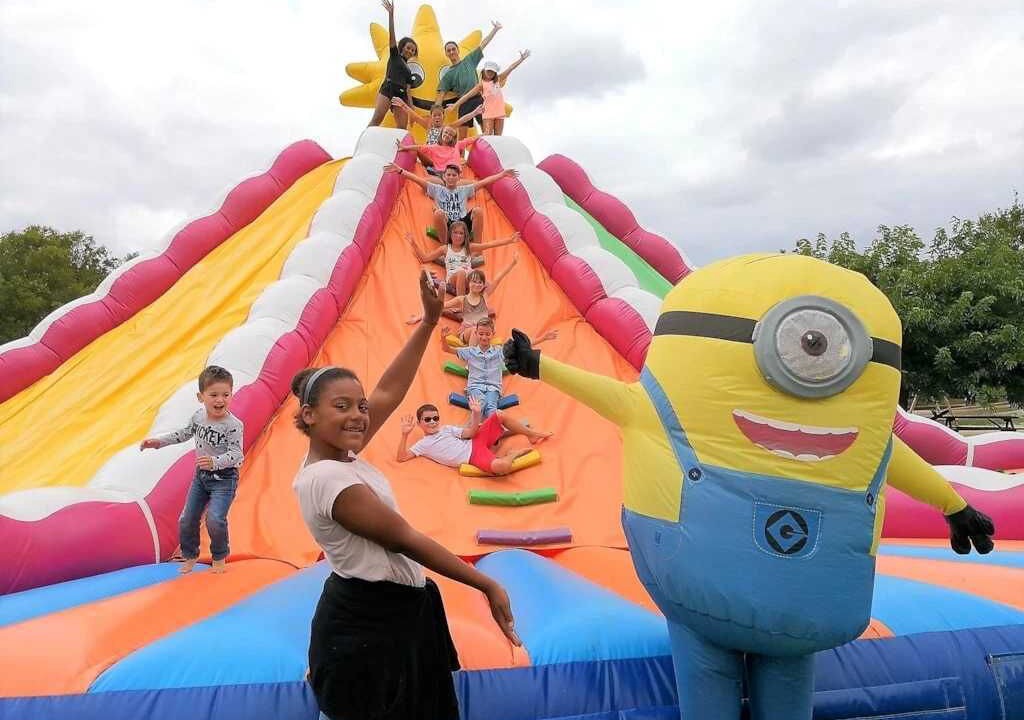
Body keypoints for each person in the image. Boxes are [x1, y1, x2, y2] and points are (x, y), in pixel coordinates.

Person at [292, 271, 520, 720]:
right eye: (342, 407)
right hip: (365, 624)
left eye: (358, 406)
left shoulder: (343, 456)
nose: (358, 415)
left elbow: (389, 391)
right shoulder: (325, 480)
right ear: (309, 415)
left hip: (399, 616)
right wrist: (486, 583)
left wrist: (430, 322)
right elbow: (403, 539)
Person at [140, 365, 243, 574]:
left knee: (214, 518)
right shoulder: (198, 417)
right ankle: (189, 556)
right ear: (200, 396)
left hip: (224, 479)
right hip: (202, 478)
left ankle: (220, 556)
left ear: (232, 394)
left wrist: (215, 461)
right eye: (213, 395)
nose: (220, 400)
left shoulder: (233, 425)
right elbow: (184, 434)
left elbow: (237, 455)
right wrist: (159, 442)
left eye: (226, 394)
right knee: (186, 519)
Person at [397, 396, 551, 475]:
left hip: (475, 441)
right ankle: (512, 454)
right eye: (427, 419)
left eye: (435, 418)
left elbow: (471, 433)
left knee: (499, 415)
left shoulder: (447, 429)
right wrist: (405, 435)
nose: (432, 422)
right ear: (419, 423)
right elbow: (402, 457)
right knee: (501, 466)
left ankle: (532, 435)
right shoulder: (423, 444)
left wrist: (476, 413)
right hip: (473, 456)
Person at [441, 316, 558, 418]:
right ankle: (473, 430)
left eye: (487, 334)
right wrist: (443, 338)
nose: (484, 337)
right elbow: (447, 349)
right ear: (476, 334)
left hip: (493, 388)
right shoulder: (470, 351)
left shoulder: (498, 352)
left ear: (493, 334)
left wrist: (543, 338)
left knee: (491, 408)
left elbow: (521, 346)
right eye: (481, 334)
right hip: (475, 387)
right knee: (479, 406)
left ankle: (492, 431)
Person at [386, 160, 518, 246]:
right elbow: (416, 179)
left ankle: (477, 249)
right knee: (438, 213)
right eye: (448, 175)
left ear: (458, 178)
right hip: (447, 223)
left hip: (462, 223)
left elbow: (484, 182)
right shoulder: (436, 189)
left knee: (478, 210)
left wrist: (502, 174)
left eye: (453, 175)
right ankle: (446, 248)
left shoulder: (465, 190)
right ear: (444, 177)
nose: (450, 177)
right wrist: (400, 170)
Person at [406, 261, 516, 340]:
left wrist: (512, 263)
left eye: (480, 282)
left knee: (485, 330)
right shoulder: (462, 299)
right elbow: (439, 307)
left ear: (483, 285)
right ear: (469, 283)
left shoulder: (485, 296)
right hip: (468, 332)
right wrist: (418, 318)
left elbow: (499, 278)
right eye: (474, 282)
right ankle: (473, 361)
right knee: (475, 331)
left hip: (484, 332)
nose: (477, 284)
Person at [405, 219, 518, 297]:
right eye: (455, 233)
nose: (458, 236)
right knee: (462, 273)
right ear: (450, 234)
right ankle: (461, 303)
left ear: (465, 236)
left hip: (470, 277)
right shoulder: (445, 249)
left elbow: (489, 245)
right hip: (454, 277)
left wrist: (509, 240)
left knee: (482, 279)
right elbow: (425, 258)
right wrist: (413, 243)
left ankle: (479, 303)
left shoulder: (468, 248)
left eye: (461, 233)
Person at [435, 21, 503, 138]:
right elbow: (441, 95)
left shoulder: (470, 60)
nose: (451, 52)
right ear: (446, 54)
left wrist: (495, 30)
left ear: (458, 50)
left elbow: (483, 44)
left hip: (478, 99)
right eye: (448, 50)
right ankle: (461, 156)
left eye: (453, 49)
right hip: (463, 103)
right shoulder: (448, 74)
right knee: (462, 137)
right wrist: (436, 113)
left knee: (487, 133)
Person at [452, 51, 531, 136]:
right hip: (488, 112)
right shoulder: (481, 85)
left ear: (495, 73)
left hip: (499, 112)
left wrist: (521, 59)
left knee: (498, 137)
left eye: (492, 71)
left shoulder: (498, 80)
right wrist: (455, 105)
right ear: (484, 70)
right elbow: (467, 96)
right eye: (488, 71)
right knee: (488, 135)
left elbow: (510, 68)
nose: (490, 73)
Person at [368, 0, 418, 128]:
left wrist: (412, 110)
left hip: (401, 95)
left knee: (402, 128)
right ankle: (362, 145)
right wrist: (391, 15)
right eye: (408, 47)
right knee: (376, 120)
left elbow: (408, 91)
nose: (410, 51)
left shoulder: (409, 70)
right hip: (388, 89)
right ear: (402, 47)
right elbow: (392, 37)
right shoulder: (395, 55)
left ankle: (398, 148)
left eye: (412, 50)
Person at [390, 98, 483, 147]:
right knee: (418, 146)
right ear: (431, 117)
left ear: (443, 116)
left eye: (439, 115)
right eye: (435, 115)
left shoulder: (448, 127)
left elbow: (463, 120)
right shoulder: (428, 126)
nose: (437, 117)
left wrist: (474, 113)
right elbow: (414, 115)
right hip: (430, 153)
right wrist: (402, 105)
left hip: (441, 154)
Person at [395, 126, 477, 176]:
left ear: (453, 138)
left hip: (455, 172)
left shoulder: (457, 145)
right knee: (434, 174)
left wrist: (483, 134)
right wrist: (405, 147)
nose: (447, 135)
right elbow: (420, 147)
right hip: (441, 173)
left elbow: (470, 140)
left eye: (450, 135)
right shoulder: (435, 147)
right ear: (441, 134)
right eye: (446, 132)